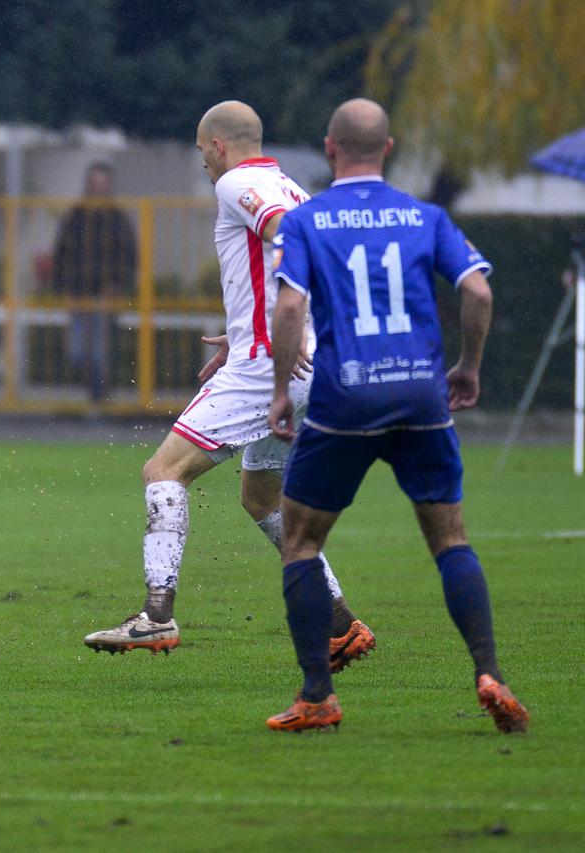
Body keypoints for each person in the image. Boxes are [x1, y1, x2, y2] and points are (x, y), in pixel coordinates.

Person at [265, 98, 528, 733]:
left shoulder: (307, 222)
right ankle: (489, 672)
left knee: (300, 541)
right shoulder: (425, 216)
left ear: (330, 149)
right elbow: (478, 289)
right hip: (419, 395)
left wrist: (279, 390)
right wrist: (467, 366)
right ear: (388, 148)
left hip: (345, 397)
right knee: (450, 539)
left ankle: (317, 696)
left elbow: (291, 310)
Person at [84, 102, 374, 668]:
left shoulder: (237, 182)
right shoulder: (287, 183)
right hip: (301, 360)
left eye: (200, 153)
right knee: (261, 496)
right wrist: (251, 330)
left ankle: (156, 616)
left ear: (218, 146)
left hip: (268, 367)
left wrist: (265, 342)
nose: (202, 166)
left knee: (163, 472)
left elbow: (287, 235)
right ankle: (339, 624)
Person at [51, 162, 137, 402]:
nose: (98, 187)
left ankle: (99, 400)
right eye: (95, 182)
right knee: (77, 351)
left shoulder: (117, 218)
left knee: (99, 352)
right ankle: (93, 394)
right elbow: (62, 253)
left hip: (104, 295)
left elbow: (128, 256)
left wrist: (117, 285)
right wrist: (65, 289)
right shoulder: (76, 215)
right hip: (79, 295)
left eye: (103, 182)